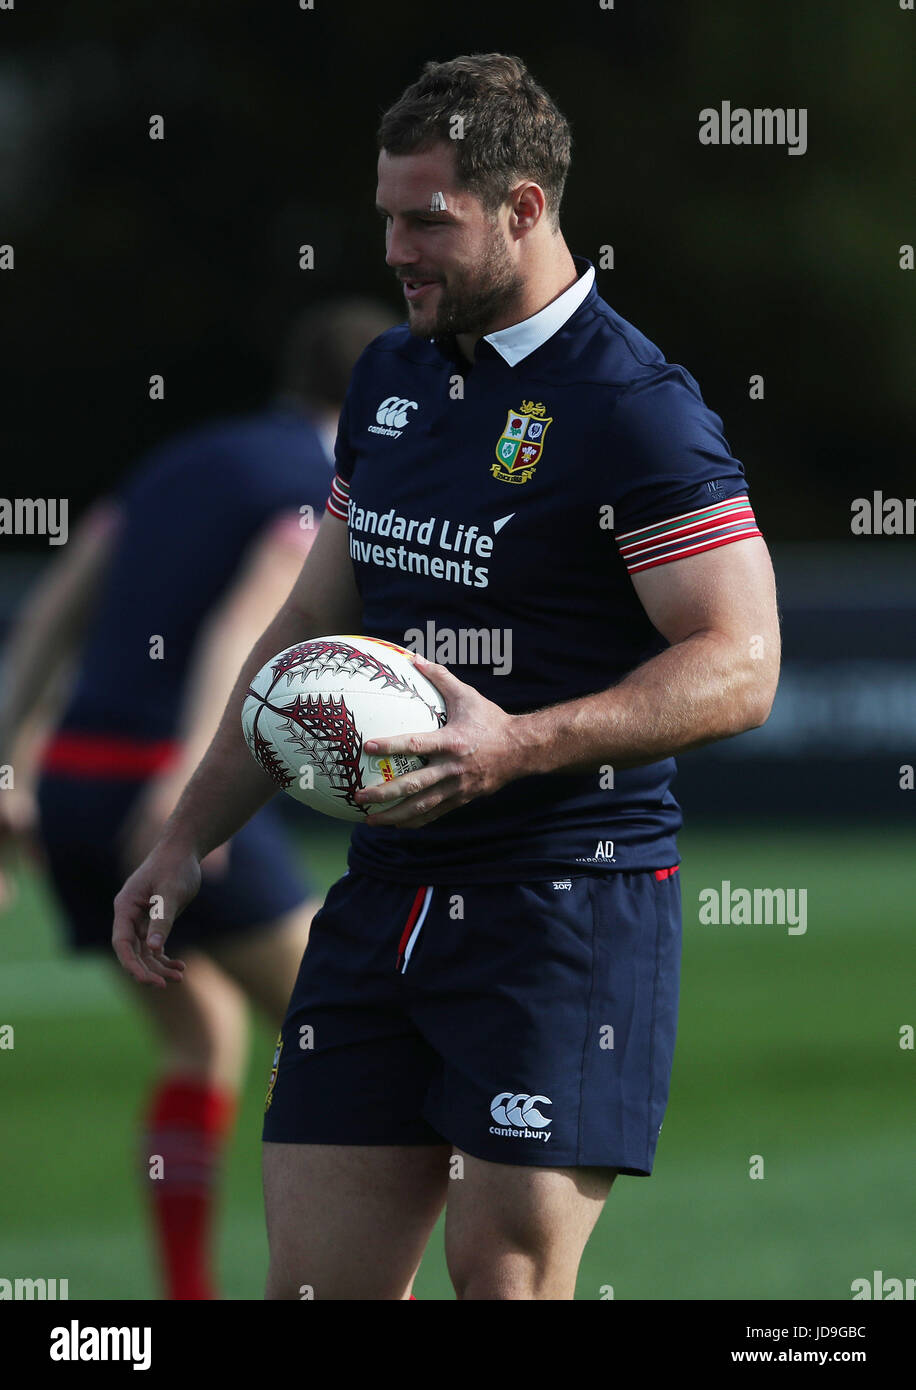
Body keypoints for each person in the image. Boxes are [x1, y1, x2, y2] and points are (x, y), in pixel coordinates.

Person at [111, 54, 781, 1301]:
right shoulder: (390, 375)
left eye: (429, 219)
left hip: (563, 907)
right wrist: (188, 835)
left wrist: (513, 745)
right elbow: (311, 618)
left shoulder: (634, 407)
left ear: (524, 208)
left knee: (504, 1279)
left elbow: (742, 663)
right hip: (384, 897)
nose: (396, 247)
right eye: (385, 216)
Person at [0, 298, 397, 1300]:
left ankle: (186, 1293)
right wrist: (187, 792)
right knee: (345, 1034)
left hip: (73, 788)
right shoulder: (317, 483)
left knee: (203, 1037)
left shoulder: (177, 461)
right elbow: (246, 620)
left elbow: (49, 614)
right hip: (154, 783)